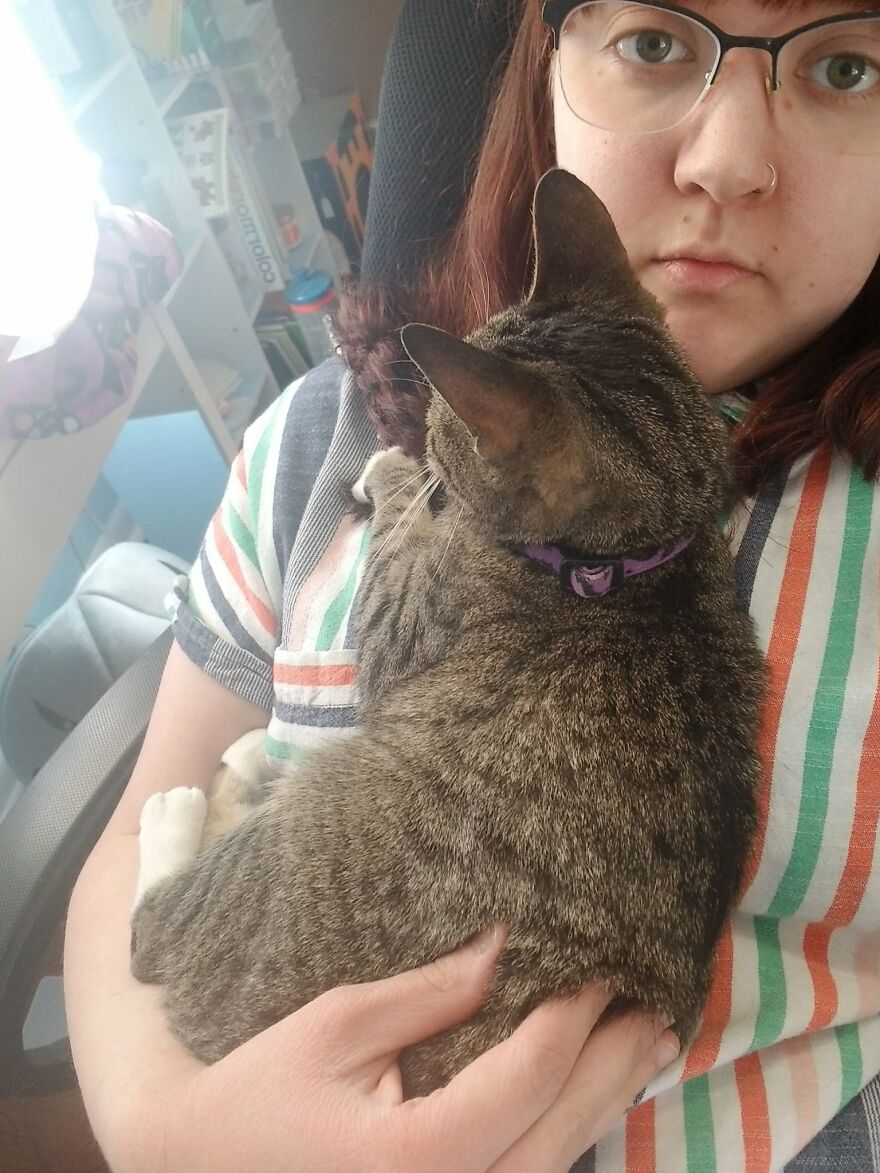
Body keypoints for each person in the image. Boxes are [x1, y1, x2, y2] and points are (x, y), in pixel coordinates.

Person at [64, 0, 880, 1169]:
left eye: (848, 65)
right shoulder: (317, 443)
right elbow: (145, 816)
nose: (728, 164)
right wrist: (159, 1131)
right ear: (544, 68)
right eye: (654, 41)